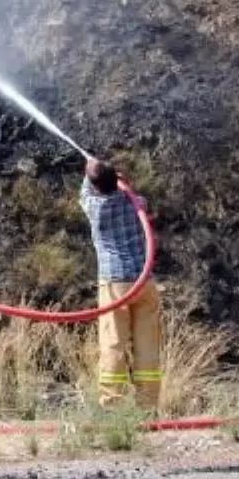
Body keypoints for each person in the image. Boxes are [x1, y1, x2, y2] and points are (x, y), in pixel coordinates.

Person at [80, 157, 162, 412]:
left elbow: (85, 191)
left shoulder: (95, 207)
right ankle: (148, 407)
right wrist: (123, 182)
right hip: (143, 281)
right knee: (147, 344)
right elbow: (138, 200)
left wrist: (88, 169)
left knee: (114, 341)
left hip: (115, 285)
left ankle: (112, 405)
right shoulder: (136, 203)